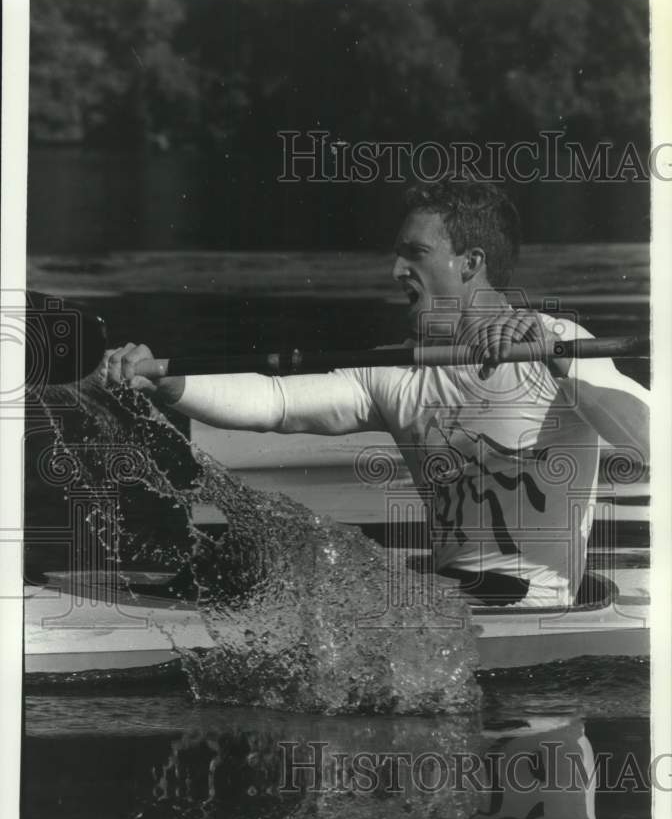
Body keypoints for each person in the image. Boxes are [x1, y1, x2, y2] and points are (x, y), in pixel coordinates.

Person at [104, 181, 649, 608]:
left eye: (415, 253)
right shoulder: (393, 372)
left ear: (471, 263)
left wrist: (560, 362)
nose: (395, 271)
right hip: (448, 604)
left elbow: (653, 444)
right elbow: (276, 403)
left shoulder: (562, 346)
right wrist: (168, 382)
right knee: (260, 554)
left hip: (532, 610)